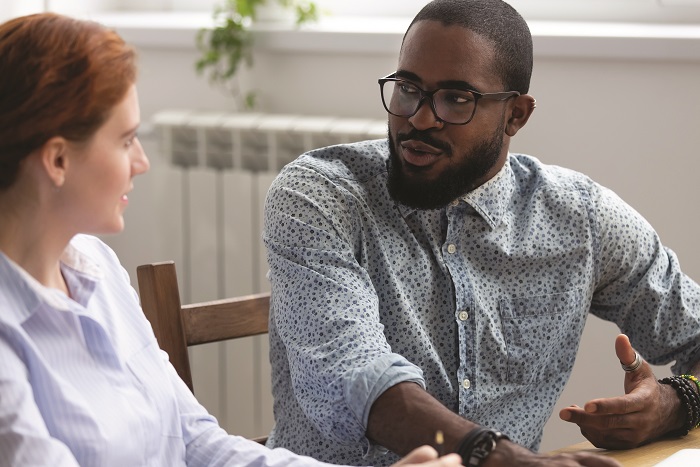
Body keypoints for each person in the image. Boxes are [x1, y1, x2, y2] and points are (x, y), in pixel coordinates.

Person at [0, 12, 463, 467]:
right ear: (58, 160)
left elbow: (194, 440)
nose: (141, 161)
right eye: (125, 141)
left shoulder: (96, 268)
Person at [261, 0, 700, 465]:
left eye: (456, 99)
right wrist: (501, 458)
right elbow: (353, 375)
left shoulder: (580, 219)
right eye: (408, 88)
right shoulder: (319, 194)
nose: (420, 118)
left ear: (516, 115)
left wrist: (675, 404)